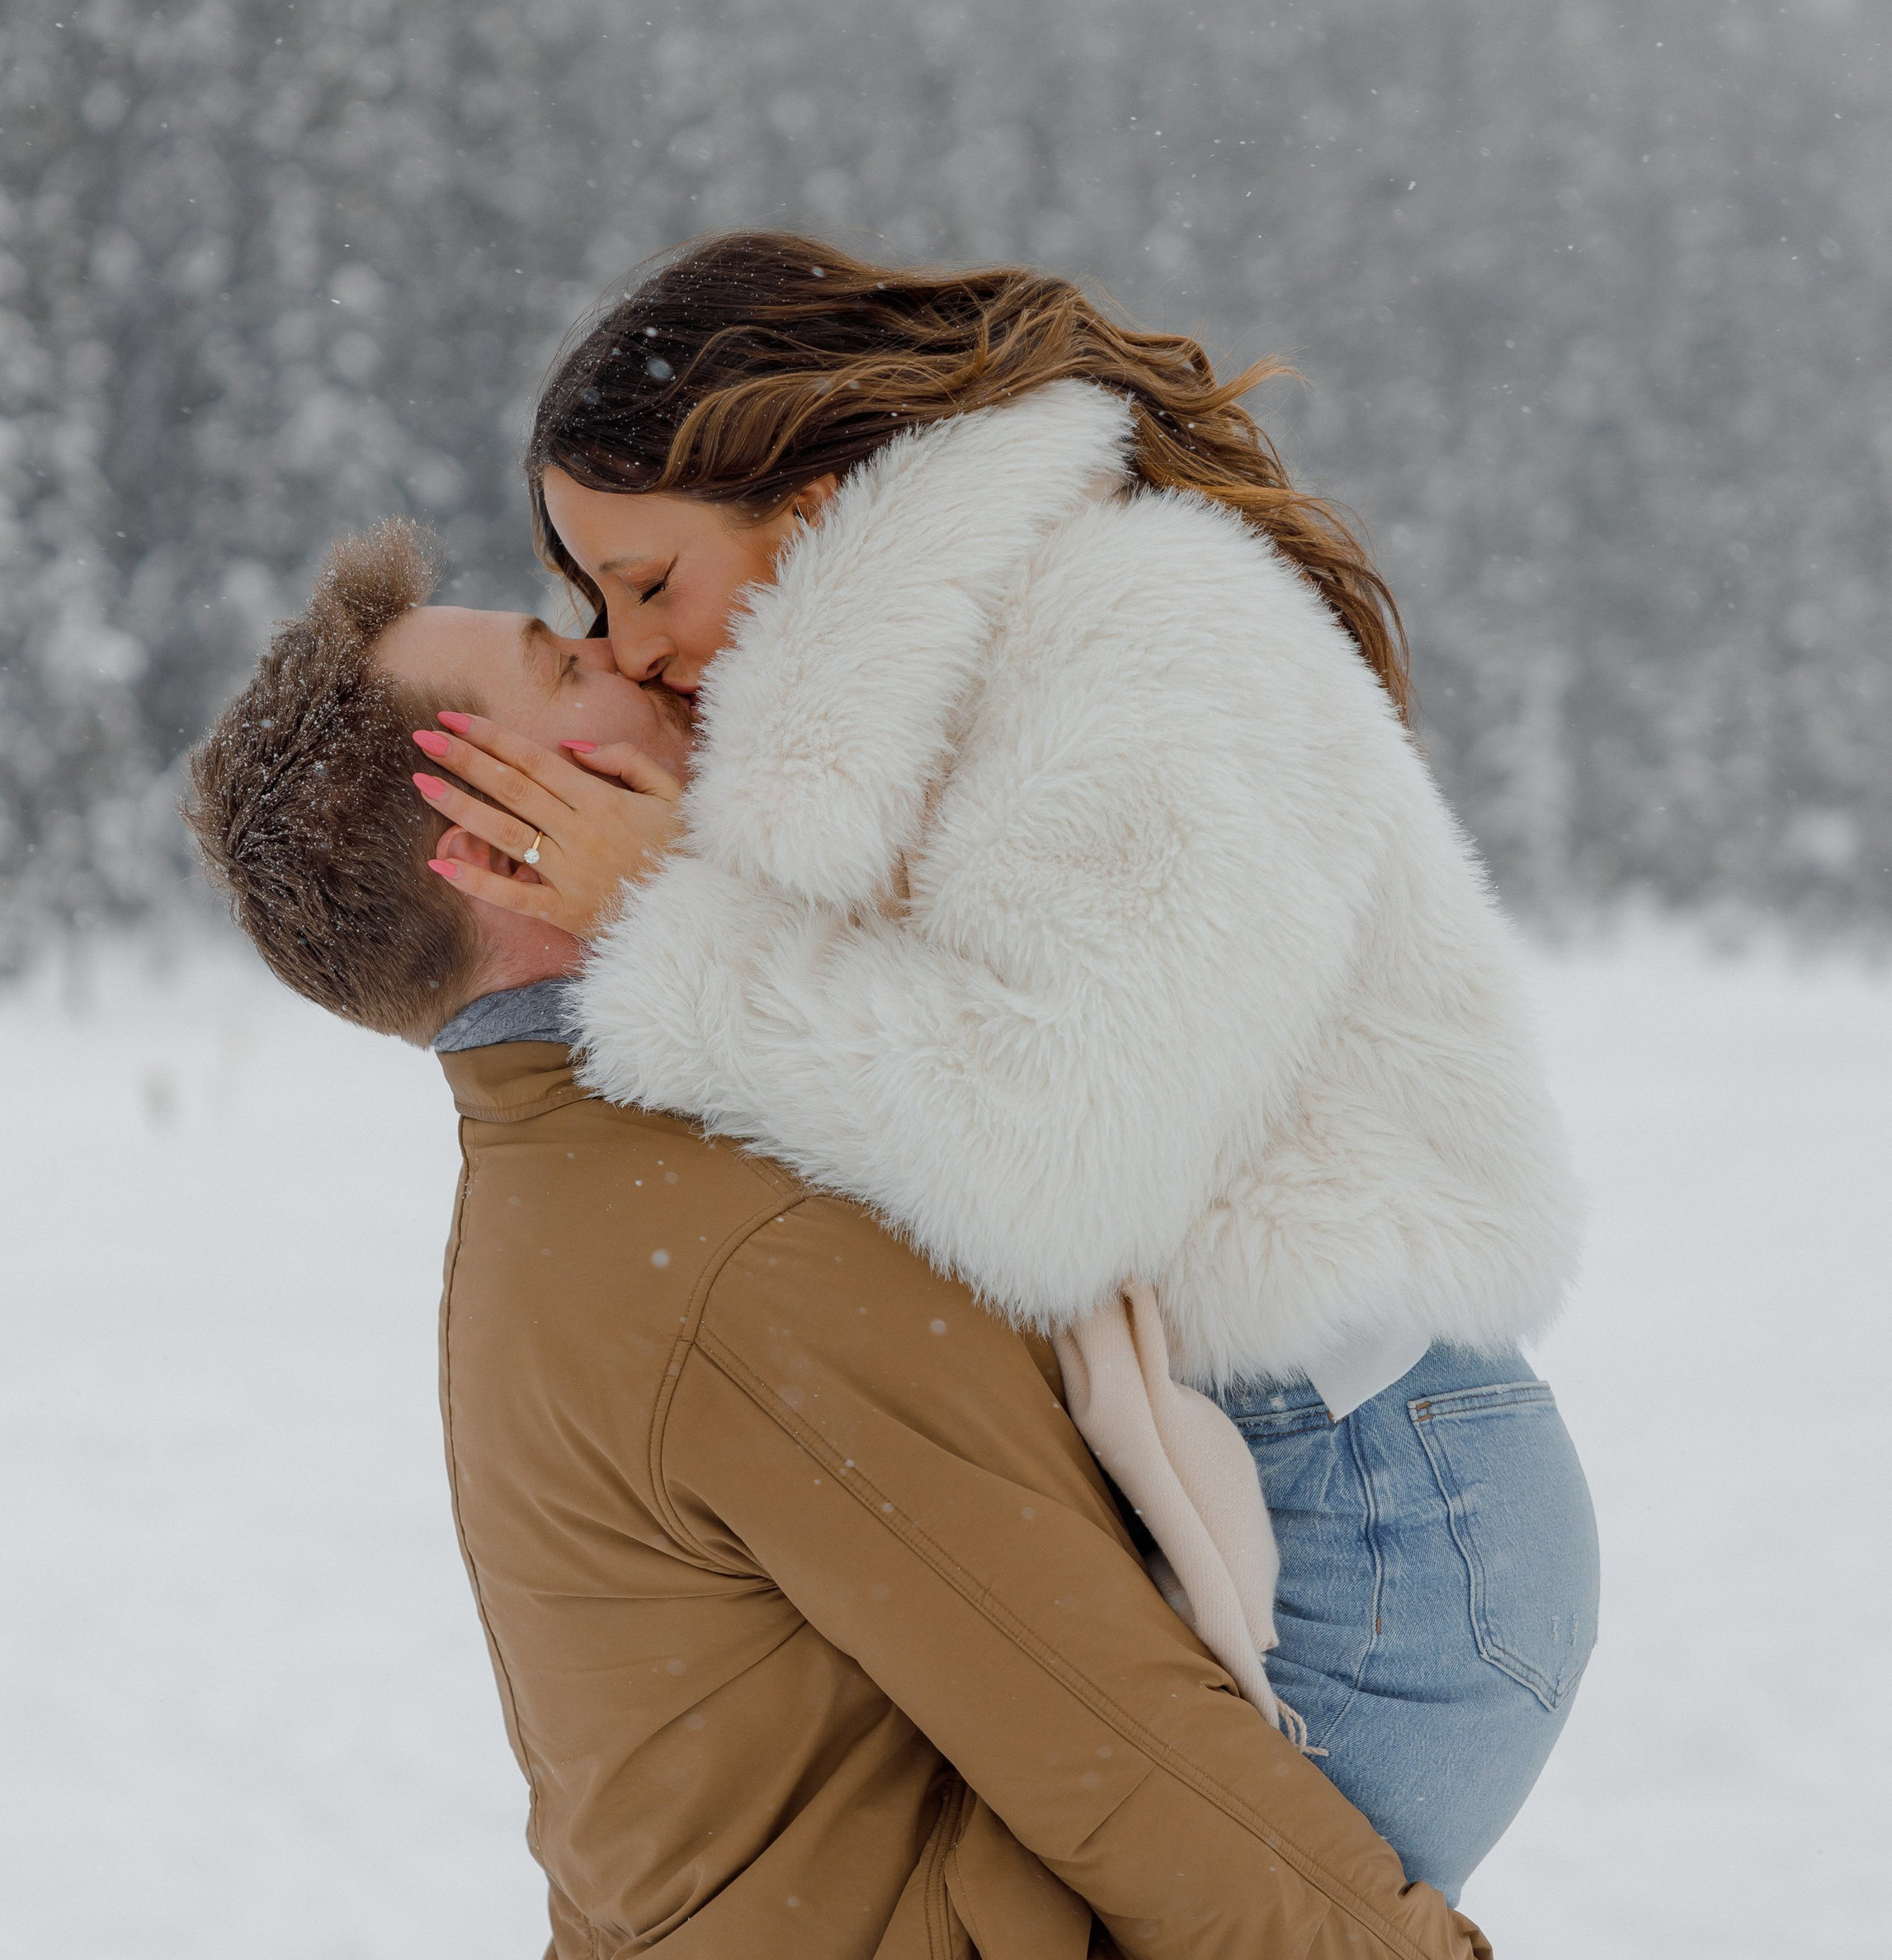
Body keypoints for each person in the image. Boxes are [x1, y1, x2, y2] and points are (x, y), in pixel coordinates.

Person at [411, 231, 1601, 1903]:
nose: (627, 646)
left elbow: (1048, 1150)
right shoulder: (969, 670)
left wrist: (671, 925)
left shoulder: (1126, 631)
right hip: (1272, 1462)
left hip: (1370, 1509)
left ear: (805, 498)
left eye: (647, 579)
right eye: (590, 602)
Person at [183, 520, 1492, 1958]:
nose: (639, 662)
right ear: (496, 829)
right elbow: (1110, 1741)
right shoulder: (728, 1235)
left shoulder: (584, 1174)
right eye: (568, 667)